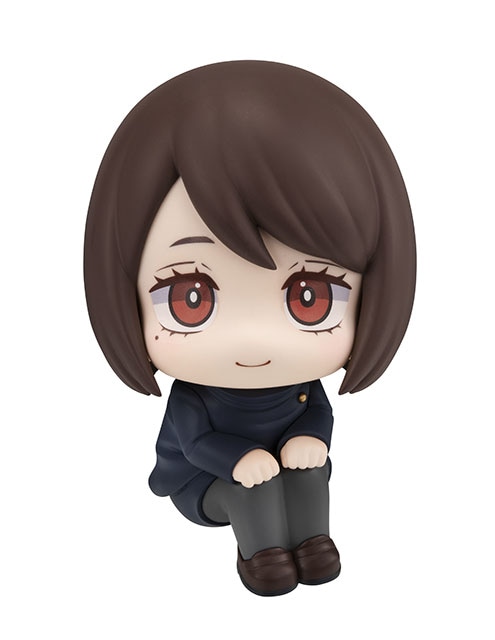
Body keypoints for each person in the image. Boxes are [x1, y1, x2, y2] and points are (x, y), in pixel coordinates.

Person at [84, 61, 416, 596]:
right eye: (191, 298)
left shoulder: (302, 385)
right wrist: (238, 459)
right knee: (253, 491)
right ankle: (262, 559)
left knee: (312, 471)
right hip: (207, 482)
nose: (253, 337)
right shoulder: (194, 397)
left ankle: (314, 545)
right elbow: (194, 445)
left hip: (281, 467)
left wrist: (311, 438)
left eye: (310, 296)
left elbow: (319, 415)